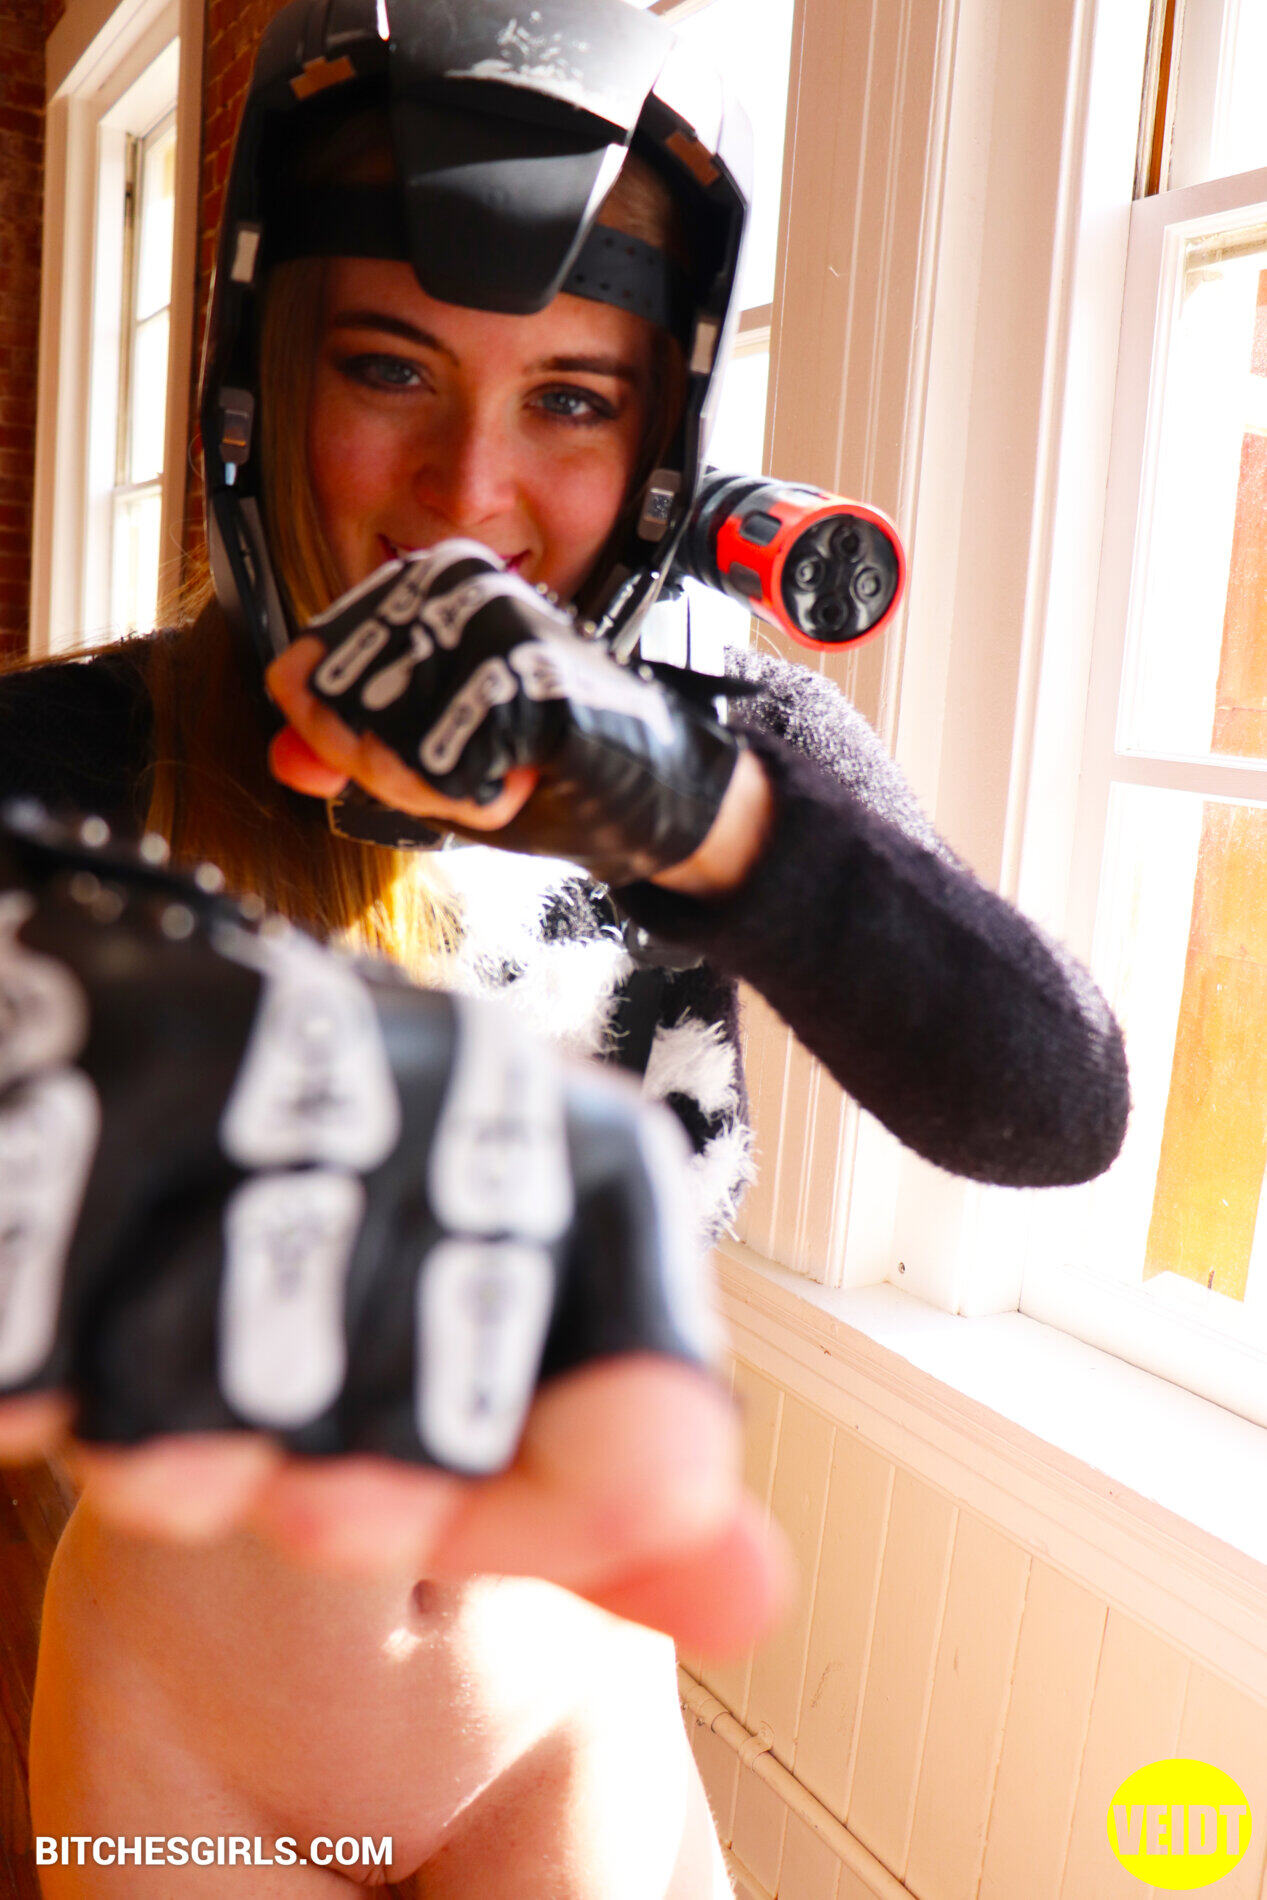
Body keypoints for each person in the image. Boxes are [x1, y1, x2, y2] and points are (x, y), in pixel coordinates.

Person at [0, 0, 1129, 1891]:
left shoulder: (731, 753)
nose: (469, 492)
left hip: (561, 1742)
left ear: (663, 435)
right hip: (178, 1743)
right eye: (390, 368)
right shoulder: (73, 760)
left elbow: (1057, 1106)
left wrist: (699, 821)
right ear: (261, 376)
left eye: (573, 399)